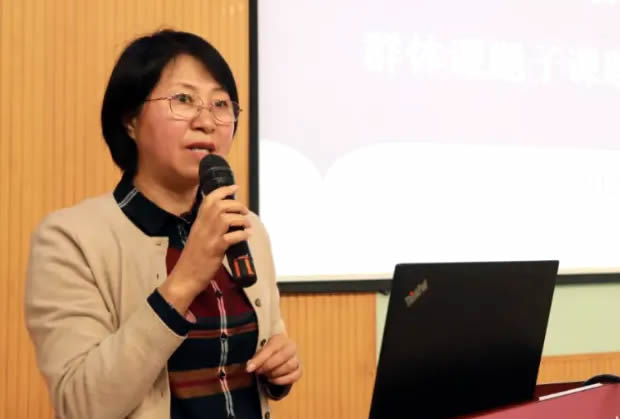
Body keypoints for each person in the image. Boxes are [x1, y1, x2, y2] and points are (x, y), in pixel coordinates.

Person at [24, 29, 301, 419]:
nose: (206, 121)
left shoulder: (246, 228)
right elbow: (81, 405)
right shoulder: (70, 240)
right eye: (183, 99)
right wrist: (185, 279)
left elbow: (264, 347)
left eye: (221, 104)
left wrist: (279, 368)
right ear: (130, 120)